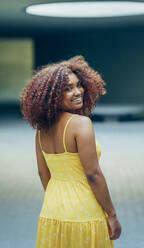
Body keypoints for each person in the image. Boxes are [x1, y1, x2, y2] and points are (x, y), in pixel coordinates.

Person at [20, 55, 121, 248]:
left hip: (52, 210)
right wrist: (112, 215)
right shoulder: (81, 124)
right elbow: (93, 175)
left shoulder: (42, 130)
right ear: (52, 95)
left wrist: (59, 202)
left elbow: (43, 173)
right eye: (67, 89)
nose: (77, 92)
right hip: (84, 211)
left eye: (78, 85)